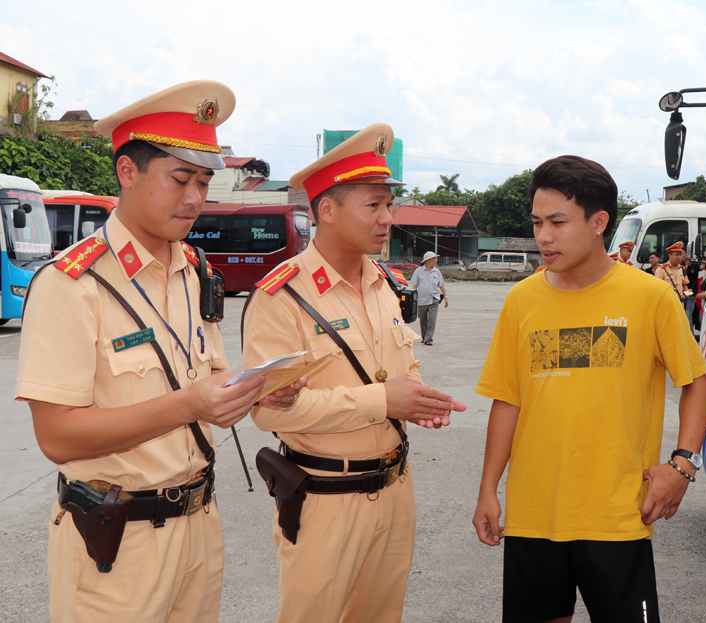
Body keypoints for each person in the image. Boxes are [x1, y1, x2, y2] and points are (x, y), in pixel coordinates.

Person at [15, 80, 301, 623]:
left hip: (198, 527)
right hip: (115, 545)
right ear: (128, 172)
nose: (195, 199)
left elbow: (208, 379)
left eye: (204, 181)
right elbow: (56, 436)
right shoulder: (71, 284)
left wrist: (260, 390)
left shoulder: (194, 272)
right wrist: (190, 407)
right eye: (180, 179)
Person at [473, 155, 706, 623]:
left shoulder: (649, 296)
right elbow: (508, 400)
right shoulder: (522, 300)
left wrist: (682, 465)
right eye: (538, 222)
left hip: (618, 517)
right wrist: (488, 488)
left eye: (558, 222)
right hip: (533, 517)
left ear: (599, 221)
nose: (543, 236)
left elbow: (696, 382)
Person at [242, 122, 466, 623]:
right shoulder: (282, 296)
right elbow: (268, 412)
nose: (388, 218)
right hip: (325, 499)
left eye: (389, 205)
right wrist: (385, 402)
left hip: (394, 489)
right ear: (327, 209)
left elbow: (398, 370)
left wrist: (420, 402)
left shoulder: (384, 283)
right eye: (373, 205)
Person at [410, 250, 448, 345]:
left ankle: (429, 338)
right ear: (427, 260)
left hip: (434, 298)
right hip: (422, 300)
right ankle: (424, 337)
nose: (435, 260)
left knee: (432, 319)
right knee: (422, 319)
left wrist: (446, 297)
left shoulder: (437, 271)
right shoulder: (418, 271)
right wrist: (414, 299)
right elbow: (414, 286)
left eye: (435, 259)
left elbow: (441, 285)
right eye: (433, 259)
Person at [656, 241, 694, 331]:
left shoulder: (681, 269)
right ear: (670, 255)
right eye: (677, 255)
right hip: (667, 305)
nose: (679, 257)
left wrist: (687, 295)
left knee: (678, 328)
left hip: (680, 304)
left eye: (680, 255)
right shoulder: (662, 269)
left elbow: (684, 284)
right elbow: (656, 288)